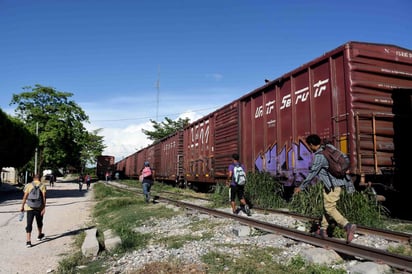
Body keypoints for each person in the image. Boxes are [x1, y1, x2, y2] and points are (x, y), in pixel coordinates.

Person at [293, 134, 357, 243]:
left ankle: (347, 225)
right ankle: (323, 229)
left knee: (330, 208)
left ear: (312, 145)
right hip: (336, 183)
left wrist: (301, 187)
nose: (309, 148)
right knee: (326, 206)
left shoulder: (320, 156)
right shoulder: (329, 148)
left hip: (333, 185)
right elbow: (344, 158)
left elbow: (312, 173)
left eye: (309, 146)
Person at [20, 174, 47, 247]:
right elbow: (44, 197)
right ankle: (39, 235)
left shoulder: (28, 185)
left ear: (33, 178)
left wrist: (22, 206)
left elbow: (25, 196)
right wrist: (44, 208)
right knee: (39, 222)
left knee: (29, 224)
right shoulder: (42, 185)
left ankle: (28, 241)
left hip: (29, 207)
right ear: (39, 178)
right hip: (39, 207)